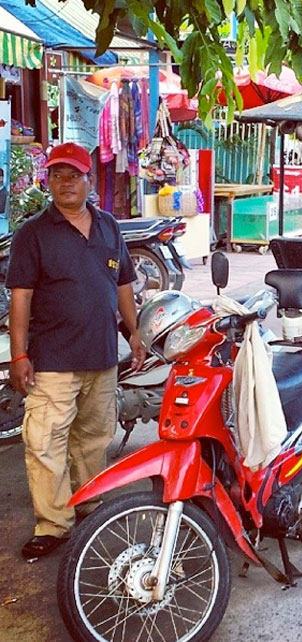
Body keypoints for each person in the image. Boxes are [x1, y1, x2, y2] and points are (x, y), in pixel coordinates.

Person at [6, 142, 145, 560]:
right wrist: (18, 355)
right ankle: (52, 525)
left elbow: (122, 285)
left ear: (90, 181)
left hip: (101, 357)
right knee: (45, 442)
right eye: (57, 175)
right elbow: (20, 298)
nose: (65, 183)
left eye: (74, 175)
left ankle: (87, 505)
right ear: (49, 182)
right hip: (52, 360)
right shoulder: (32, 233)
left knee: (92, 441)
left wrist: (134, 333)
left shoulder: (108, 227)